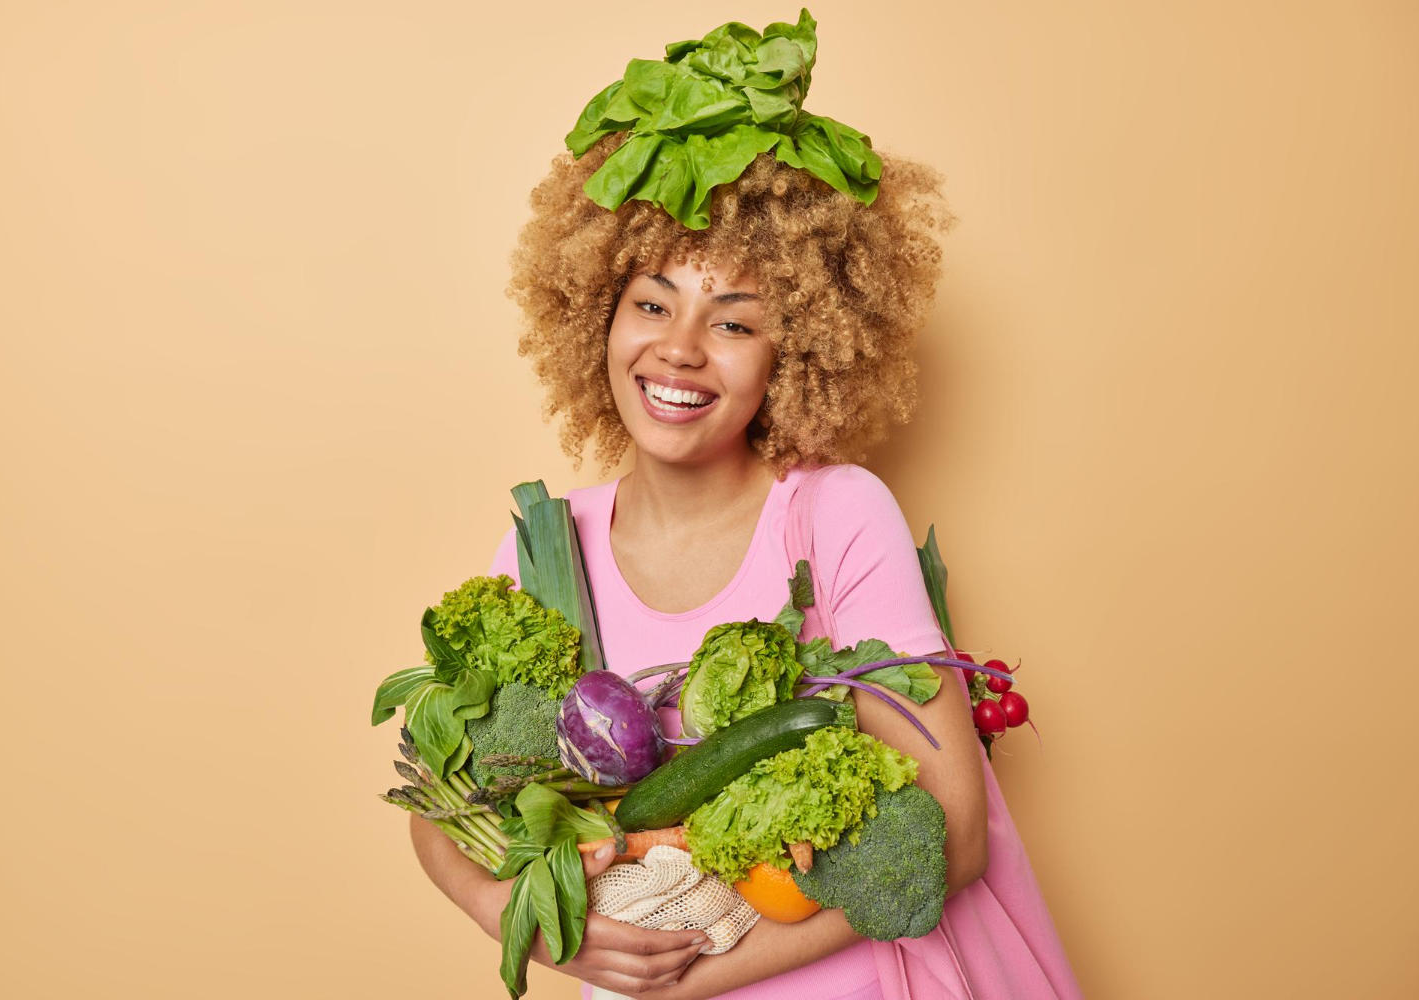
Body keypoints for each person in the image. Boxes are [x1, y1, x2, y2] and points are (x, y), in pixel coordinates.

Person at [409, 12, 1080, 1000]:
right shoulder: (548, 549)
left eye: (734, 322)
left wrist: (697, 976)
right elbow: (440, 805)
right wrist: (527, 922)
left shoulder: (837, 514)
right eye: (651, 302)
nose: (680, 349)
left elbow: (957, 832)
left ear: (795, 353)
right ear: (596, 312)